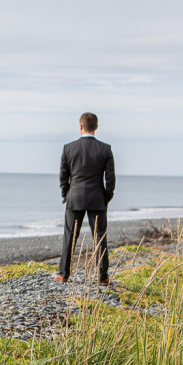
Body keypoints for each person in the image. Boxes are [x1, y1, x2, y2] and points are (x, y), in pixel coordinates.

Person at [56, 112, 115, 284]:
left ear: (80, 126)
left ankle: (63, 274)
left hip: (74, 197)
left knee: (70, 236)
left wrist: (66, 194)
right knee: (100, 236)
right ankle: (103, 277)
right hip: (97, 198)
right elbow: (110, 179)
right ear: (96, 127)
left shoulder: (68, 148)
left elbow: (63, 176)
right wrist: (106, 197)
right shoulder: (105, 149)